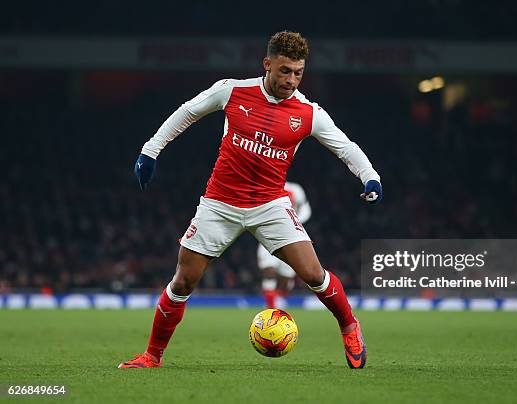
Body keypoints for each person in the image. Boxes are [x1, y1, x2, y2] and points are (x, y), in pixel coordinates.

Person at [118, 31, 382, 370]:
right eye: (285, 71)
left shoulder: (308, 113)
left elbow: (346, 148)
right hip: (220, 202)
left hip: (271, 204)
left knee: (314, 274)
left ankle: (349, 326)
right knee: (183, 280)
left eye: (298, 73)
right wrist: (150, 151)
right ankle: (152, 356)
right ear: (267, 64)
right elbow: (187, 112)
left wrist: (370, 176)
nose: (291, 80)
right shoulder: (232, 90)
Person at [258, 181, 311, 309]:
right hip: (269, 234)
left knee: (286, 280)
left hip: (290, 236)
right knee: (269, 271)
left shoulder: (295, 188)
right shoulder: (265, 184)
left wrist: (295, 222)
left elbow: (306, 209)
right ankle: (270, 308)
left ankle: (280, 301)